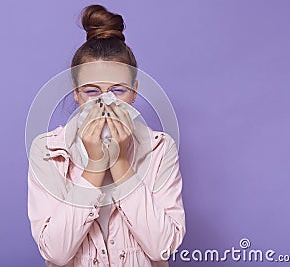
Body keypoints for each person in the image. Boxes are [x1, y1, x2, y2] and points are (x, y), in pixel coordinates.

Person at [27, 4, 186, 266]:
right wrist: (95, 166)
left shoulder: (160, 148)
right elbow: (55, 252)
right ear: (76, 93)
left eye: (118, 91)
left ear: (135, 92)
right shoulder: (47, 151)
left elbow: (162, 249)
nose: (106, 103)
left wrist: (122, 164)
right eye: (91, 92)